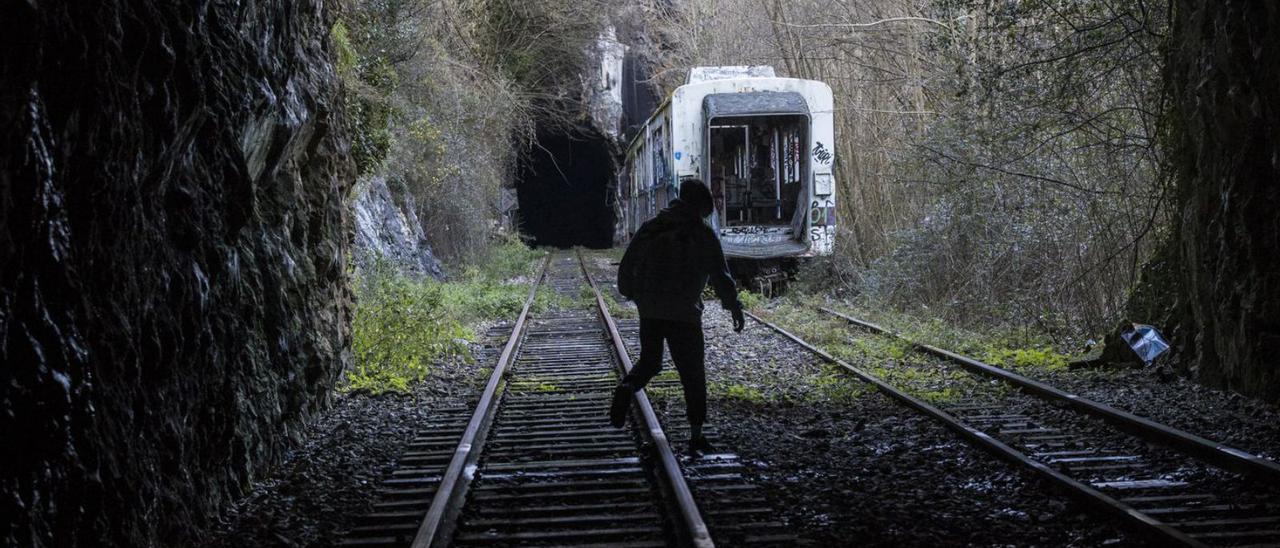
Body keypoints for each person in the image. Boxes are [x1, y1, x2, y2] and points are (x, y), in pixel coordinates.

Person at [610, 178, 745, 455]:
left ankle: (627, 387)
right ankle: (696, 436)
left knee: (650, 361)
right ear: (699, 206)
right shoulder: (702, 234)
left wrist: (633, 294)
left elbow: (628, 264)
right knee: (692, 373)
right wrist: (733, 306)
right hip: (684, 313)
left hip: (651, 309)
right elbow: (720, 275)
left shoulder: (652, 227)